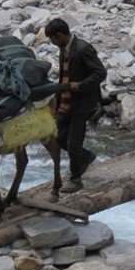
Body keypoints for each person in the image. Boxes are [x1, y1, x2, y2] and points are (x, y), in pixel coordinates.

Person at [44, 18, 107, 193]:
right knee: (56, 136)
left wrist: (80, 86)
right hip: (65, 102)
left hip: (82, 104)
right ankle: (85, 157)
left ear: (60, 35)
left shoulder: (83, 49)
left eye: (52, 39)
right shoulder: (64, 49)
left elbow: (100, 73)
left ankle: (75, 179)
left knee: (73, 143)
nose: (52, 43)